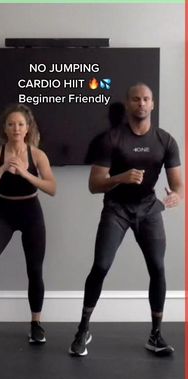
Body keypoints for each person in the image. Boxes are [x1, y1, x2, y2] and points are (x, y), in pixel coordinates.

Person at [69, 83, 183, 357]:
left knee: (157, 268)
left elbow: (178, 185)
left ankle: (155, 335)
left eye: (146, 99)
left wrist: (176, 196)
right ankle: (83, 329)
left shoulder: (165, 140)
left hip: (148, 209)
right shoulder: (111, 139)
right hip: (116, 209)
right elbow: (94, 185)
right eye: (136, 99)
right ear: (128, 103)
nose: (141, 104)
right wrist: (121, 177)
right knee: (101, 265)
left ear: (152, 104)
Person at [0, 103, 56, 342]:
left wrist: (26, 173)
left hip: (31, 212)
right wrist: (4, 167)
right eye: (11, 124)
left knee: (34, 270)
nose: (16, 128)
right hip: (5, 211)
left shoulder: (37, 155)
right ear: (5, 128)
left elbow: (52, 188)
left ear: (28, 128)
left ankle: (36, 322)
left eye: (21, 124)